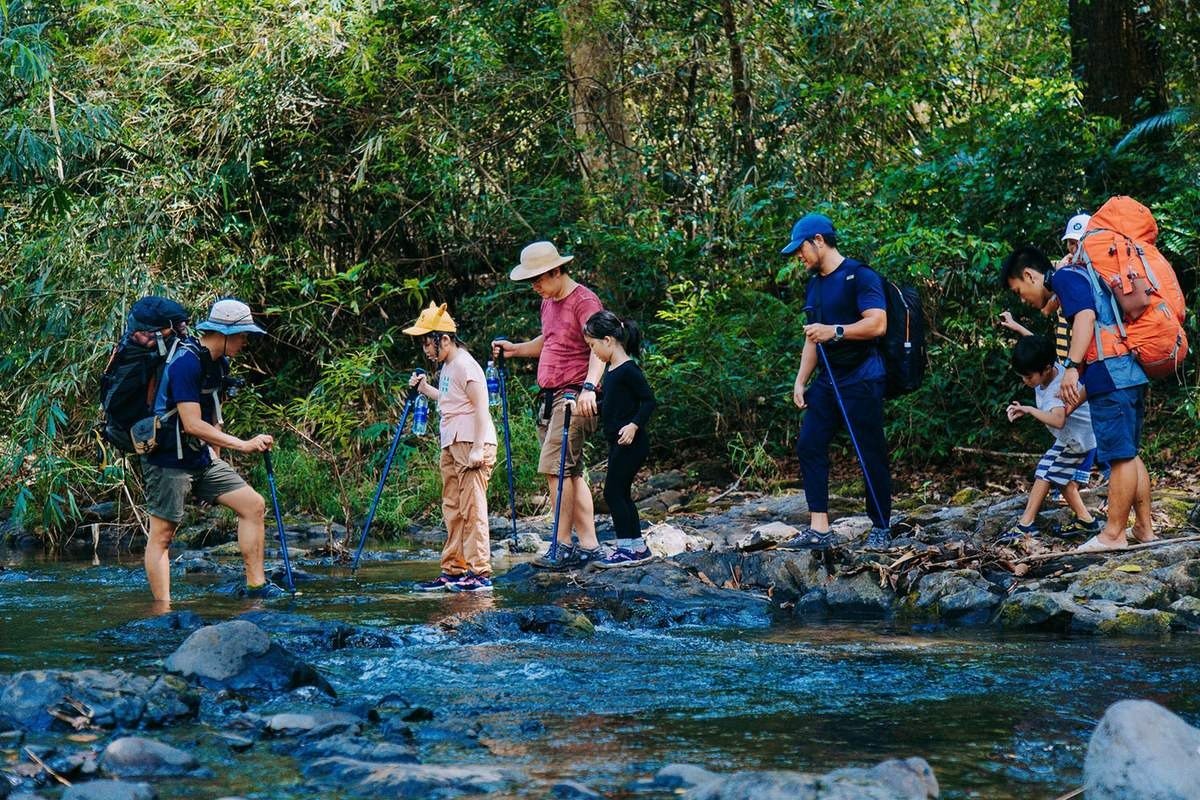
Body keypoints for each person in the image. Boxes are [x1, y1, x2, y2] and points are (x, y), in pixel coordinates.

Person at [1000, 245, 1156, 551]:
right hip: (1125, 371)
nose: (1022, 299)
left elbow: (1085, 316)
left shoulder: (1065, 278)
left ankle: (1113, 535)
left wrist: (1071, 367)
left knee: (1120, 456)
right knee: (1130, 453)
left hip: (1111, 372)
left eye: (1019, 291)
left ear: (1030, 275)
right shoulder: (1080, 276)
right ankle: (1144, 529)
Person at [142, 298, 277, 605]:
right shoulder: (185, 363)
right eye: (242, 335)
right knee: (163, 534)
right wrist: (244, 444)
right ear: (224, 333)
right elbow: (192, 424)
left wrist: (216, 460)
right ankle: (163, 611)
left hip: (200, 458)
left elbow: (213, 417)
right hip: (167, 459)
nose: (245, 342)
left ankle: (256, 587)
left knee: (253, 506)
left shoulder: (218, 364)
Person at [779, 213, 892, 551]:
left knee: (869, 451)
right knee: (809, 443)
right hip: (829, 381)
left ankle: (881, 526)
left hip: (863, 377)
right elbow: (812, 337)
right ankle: (819, 527)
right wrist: (801, 381)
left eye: (800, 249)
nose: (799, 257)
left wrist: (836, 331)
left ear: (818, 240)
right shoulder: (814, 285)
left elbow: (878, 324)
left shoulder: (860, 276)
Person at [493, 241, 606, 570]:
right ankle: (590, 545)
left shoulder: (584, 301)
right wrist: (516, 349)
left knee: (555, 469)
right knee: (570, 472)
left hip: (573, 395)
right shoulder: (549, 302)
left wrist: (589, 388)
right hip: (550, 397)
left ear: (557, 271)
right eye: (531, 280)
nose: (534, 286)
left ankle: (562, 545)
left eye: (538, 279)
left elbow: (600, 345)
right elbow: (551, 340)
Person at [405, 303, 499, 593]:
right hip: (452, 442)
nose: (425, 349)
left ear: (444, 339)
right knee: (453, 508)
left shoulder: (465, 365)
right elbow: (450, 400)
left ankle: (480, 573)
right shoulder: (448, 367)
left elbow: (481, 406)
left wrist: (478, 448)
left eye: (427, 342)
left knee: (472, 508)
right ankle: (454, 569)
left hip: (471, 442)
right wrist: (424, 389)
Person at [1001, 335, 1101, 542]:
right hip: (1080, 436)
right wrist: (1016, 328)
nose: (1025, 381)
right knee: (1062, 480)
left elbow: (1058, 420)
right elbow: (1036, 344)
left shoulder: (1055, 392)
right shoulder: (1054, 365)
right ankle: (1087, 521)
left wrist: (1028, 409)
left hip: (1076, 441)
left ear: (1046, 369)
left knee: (1044, 471)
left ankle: (1025, 524)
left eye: (1028, 377)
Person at [582, 310, 656, 568]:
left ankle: (627, 548)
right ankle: (637, 547)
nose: (593, 352)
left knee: (613, 492)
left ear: (608, 340)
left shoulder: (628, 370)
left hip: (632, 443)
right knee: (620, 492)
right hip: (618, 443)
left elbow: (649, 401)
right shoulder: (612, 371)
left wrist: (634, 425)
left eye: (593, 346)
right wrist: (589, 406)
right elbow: (613, 404)